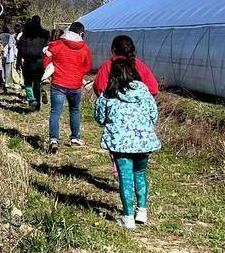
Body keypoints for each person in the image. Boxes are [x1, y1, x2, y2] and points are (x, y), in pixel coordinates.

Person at [93, 56, 161, 229]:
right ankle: (142, 211)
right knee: (140, 174)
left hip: (120, 144)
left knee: (125, 177)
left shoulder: (108, 94)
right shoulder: (143, 91)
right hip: (143, 142)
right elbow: (153, 114)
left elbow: (100, 118)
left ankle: (128, 216)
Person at [44, 21, 94, 153]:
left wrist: (50, 72)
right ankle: (75, 138)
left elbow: (46, 60)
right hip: (75, 84)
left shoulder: (57, 45)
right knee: (75, 111)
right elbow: (87, 68)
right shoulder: (85, 48)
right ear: (81, 33)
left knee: (55, 112)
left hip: (58, 83)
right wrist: (78, 73)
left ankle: (53, 140)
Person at [92, 35, 160, 97]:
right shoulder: (140, 65)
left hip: (114, 108)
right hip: (137, 108)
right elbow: (153, 89)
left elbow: (99, 87)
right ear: (132, 50)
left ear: (113, 50)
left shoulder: (108, 65)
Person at [17, 16, 49, 111]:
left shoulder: (25, 34)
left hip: (27, 61)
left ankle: (31, 99)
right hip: (40, 61)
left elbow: (19, 49)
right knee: (37, 83)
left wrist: (18, 61)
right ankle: (38, 105)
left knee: (27, 82)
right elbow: (47, 48)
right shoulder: (45, 34)